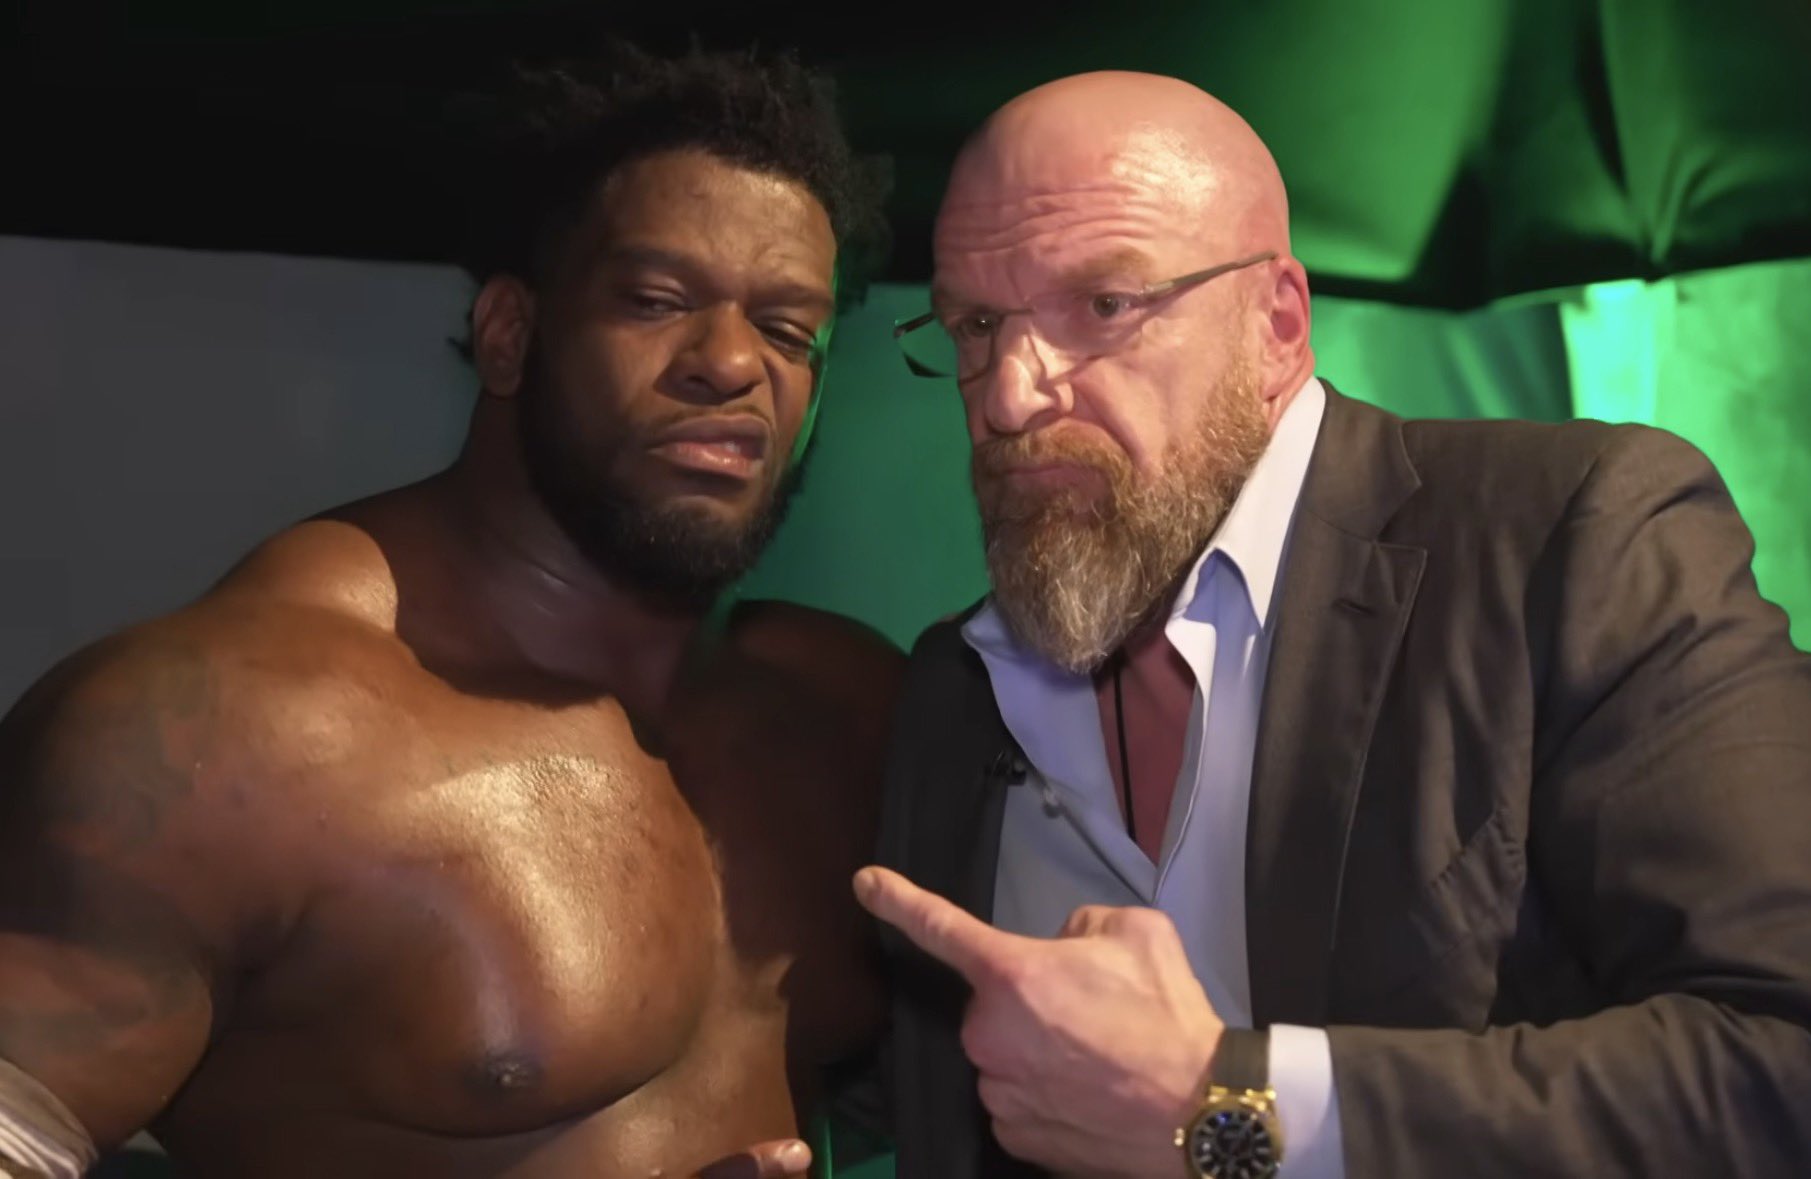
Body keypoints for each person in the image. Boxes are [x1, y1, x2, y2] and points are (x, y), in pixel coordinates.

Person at [855, 69, 1811, 1178]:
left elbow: (1780, 1063)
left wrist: (1231, 1108)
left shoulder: (1577, 538)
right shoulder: (951, 689)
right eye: (975, 324)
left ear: (1276, 324)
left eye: (1103, 306)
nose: (1007, 395)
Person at [0, 41, 899, 1179]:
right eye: (655, 301)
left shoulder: (848, 709)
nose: (728, 362)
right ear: (509, 333)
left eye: (786, 329)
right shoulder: (228, 731)